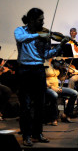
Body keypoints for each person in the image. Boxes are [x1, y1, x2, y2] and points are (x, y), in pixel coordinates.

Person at [14, 8, 69, 146]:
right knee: (25, 105)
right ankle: (26, 135)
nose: (43, 22)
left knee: (40, 104)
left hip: (38, 69)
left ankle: (38, 133)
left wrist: (61, 45)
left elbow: (46, 55)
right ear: (31, 20)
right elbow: (20, 39)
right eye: (40, 20)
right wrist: (38, 36)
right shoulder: (20, 30)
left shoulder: (44, 35)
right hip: (24, 70)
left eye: (43, 19)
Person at [45, 58, 78, 124]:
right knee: (54, 95)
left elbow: (61, 78)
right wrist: (51, 87)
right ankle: (54, 118)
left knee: (74, 93)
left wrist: (69, 74)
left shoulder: (55, 63)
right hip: (47, 87)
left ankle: (66, 115)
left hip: (57, 87)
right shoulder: (43, 63)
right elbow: (41, 78)